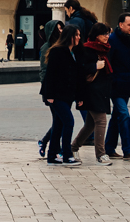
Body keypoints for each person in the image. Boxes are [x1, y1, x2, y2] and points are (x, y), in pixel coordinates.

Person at [69, 21, 113, 164]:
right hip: (91, 90)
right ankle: (101, 154)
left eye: (107, 33)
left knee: (90, 124)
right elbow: (80, 69)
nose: (106, 37)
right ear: (96, 35)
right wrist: (95, 66)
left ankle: (73, 147)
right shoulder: (86, 49)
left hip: (102, 90)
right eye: (103, 34)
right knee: (101, 121)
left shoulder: (105, 49)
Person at [40, 24, 82, 166]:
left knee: (58, 124)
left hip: (67, 94)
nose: (78, 37)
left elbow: (74, 76)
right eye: (76, 35)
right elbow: (51, 74)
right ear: (69, 36)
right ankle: (66, 155)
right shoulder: (57, 51)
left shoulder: (72, 52)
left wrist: (78, 97)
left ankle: (52, 155)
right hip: (56, 95)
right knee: (68, 121)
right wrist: (50, 95)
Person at [105, 12, 130, 160]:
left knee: (117, 116)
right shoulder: (112, 40)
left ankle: (109, 148)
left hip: (128, 84)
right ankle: (128, 150)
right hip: (116, 84)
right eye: (129, 25)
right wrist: (111, 81)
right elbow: (108, 62)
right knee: (124, 115)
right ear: (121, 25)